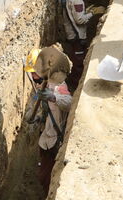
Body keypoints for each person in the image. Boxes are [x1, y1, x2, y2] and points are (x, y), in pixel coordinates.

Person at [24, 46, 72, 194]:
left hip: (54, 141)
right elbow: (36, 110)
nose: (34, 78)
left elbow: (70, 102)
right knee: (43, 172)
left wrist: (53, 97)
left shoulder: (59, 87)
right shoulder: (40, 90)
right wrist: (36, 117)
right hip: (44, 138)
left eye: (35, 74)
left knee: (46, 178)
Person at [60, 0, 104, 91]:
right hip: (77, 35)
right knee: (79, 62)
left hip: (69, 31)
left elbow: (72, 14)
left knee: (76, 57)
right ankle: (76, 83)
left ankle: (74, 80)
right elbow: (79, 20)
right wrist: (92, 13)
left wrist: (86, 11)